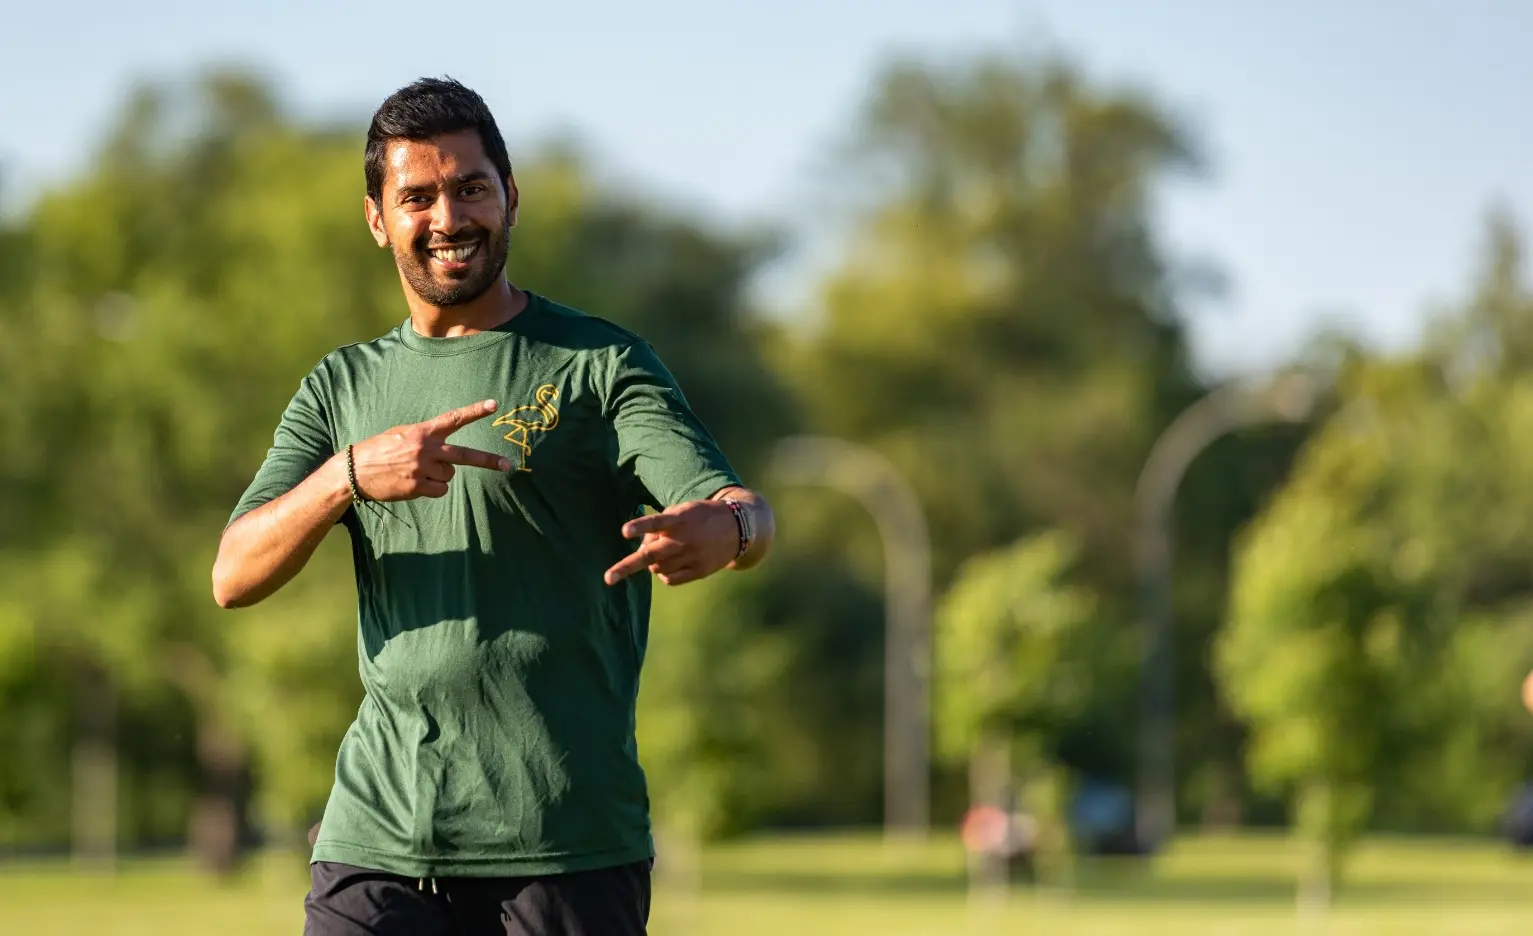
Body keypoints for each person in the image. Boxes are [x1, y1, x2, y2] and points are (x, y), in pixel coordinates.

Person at [211, 76, 775, 936]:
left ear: (510, 198)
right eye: (417, 197)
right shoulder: (341, 387)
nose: (448, 217)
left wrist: (728, 528)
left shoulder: (599, 363)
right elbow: (232, 575)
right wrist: (347, 476)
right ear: (377, 219)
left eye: (470, 187)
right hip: (378, 836)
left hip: (563, 843)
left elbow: (743, 509)